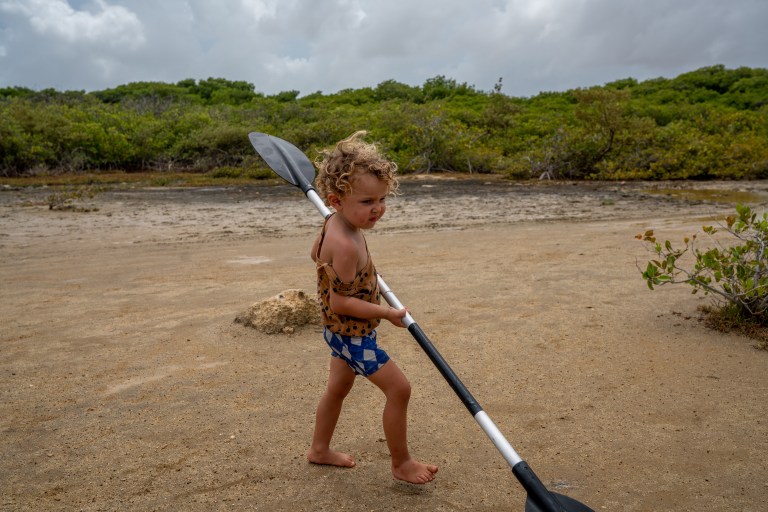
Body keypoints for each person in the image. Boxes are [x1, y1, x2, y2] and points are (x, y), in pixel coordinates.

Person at [307, 131, 438, 485]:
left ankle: (319, 449)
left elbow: (317, 257)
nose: (377, 209)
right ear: (336, 200)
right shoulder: (345, 244)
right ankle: (402, 463)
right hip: (353, 335)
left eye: (381, 199)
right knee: (400, 389)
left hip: (336, 332)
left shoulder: (335, 221)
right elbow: (340, 301)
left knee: (337, 389)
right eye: (367, 201)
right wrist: (387, 313)